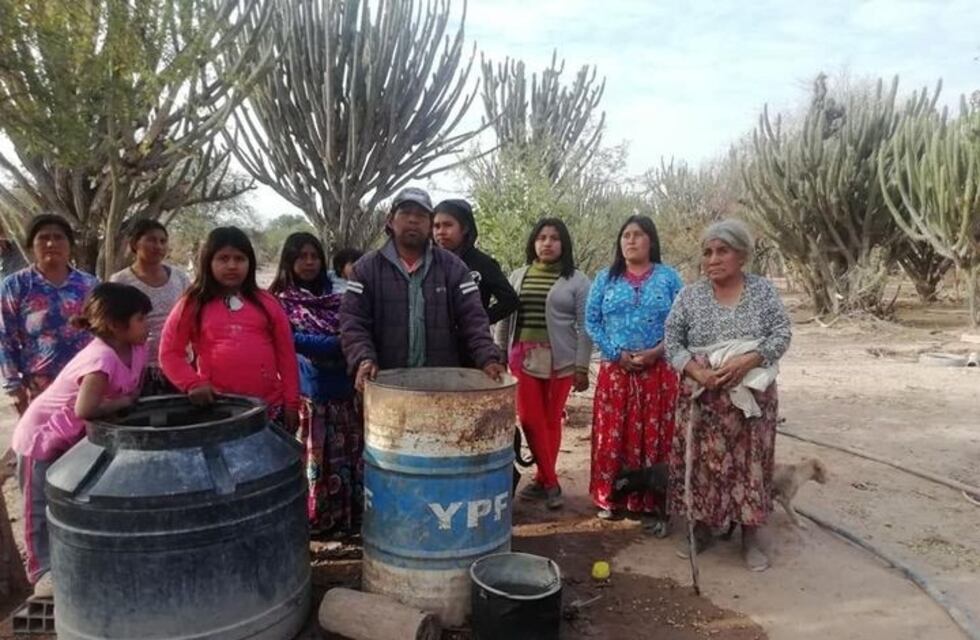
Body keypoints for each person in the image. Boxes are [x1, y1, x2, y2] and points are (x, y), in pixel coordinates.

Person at [664, 219, 792, 572]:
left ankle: (750, 537)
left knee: (751, 463)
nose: (713, 259)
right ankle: (701, 530)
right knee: (702, 464)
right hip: (703, 396)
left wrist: (748, 360)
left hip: (750, 396)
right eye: (707, 252)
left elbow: (781, 334)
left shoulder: (762, 291)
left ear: (742, 255)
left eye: (723, 251)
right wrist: (699, 372)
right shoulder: (689, 296)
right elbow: (673, 343)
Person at [11, 282, 151, 596]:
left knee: (69, 500)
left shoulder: (137, 349)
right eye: (141, 318)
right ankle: (42, 572)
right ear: (116, 325)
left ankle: (70, 561)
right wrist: (123, 403)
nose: (148, 325)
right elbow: (85, 408)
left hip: (70, 438)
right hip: (41, 436)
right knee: (38, 504)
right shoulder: (100, 360)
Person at [340, 187, 504, 391]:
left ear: (429, 224)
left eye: (421, 215)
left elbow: (473, 319)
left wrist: (488, 358)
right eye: (406, 213)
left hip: (441, 387)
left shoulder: (453, 268)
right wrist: (363, 359)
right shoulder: (366, 269)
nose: (413, 220)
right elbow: (353, 322)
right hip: (384, 386)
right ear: (390, 220)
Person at [586, 215, 683, 525]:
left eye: (638, 235)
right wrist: (616, 353)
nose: (630, 240)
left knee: (656, 437)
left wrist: (658, 351)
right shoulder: (605, 278)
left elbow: (683, 322)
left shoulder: (669, 278)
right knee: (612, 435)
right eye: (625, 235)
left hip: (659, 372)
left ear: (651, 241)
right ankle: (611, 496)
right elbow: (592, 321)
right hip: (616, 372)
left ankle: (653, 501)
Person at [159, 227, 300, 431]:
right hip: (217, 409)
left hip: (268, 409)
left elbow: (286, 356)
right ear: (208, 262)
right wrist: (192, 383)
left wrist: (292, 403)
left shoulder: (267, 302)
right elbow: (170, 352)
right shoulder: (192, 303)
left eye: (239, 258)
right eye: (223, 259)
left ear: (249, 263)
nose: (232, 265)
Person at [496, 218, 592, 510]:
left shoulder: (577, 280)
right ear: (533, 243)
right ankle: (551, 483)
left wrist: (582, 366)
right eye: (541, 237)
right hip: (521, 357)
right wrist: (499, 353)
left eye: (554, 238)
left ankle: (542, 478)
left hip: (560, 359)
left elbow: (585, 325)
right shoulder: (517, 275)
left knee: (551, 420)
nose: (547, 243)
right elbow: (505, 317)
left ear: (564, 244)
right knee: (529, 419)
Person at [270, 232, 362, 536]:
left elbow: (356, 329)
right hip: (312, 395)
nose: (309, 262)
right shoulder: (279, 301)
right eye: (301, 257)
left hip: (345, 394)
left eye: (314, 256)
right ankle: (319, 521)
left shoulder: (339, 295)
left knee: (349, 458)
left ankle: (350, 519)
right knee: (317, 459)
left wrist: (340, 342)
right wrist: (336, 342)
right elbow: (290, 339)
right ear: (289, 261)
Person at [1, 214, 99, 414]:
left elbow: (103, 332)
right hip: (40, 387)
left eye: (58, 237)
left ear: (70, 244)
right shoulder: (15, 286)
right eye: (43, 237)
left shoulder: (90, 285)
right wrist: (13, 386)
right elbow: (4, 337)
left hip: (87, 382)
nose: (51, 243)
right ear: (31, 245)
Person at [110, 219, 191, 395]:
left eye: (163, 241)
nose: (158, 246)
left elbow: (191, 318)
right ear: (134, 244)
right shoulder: (120, 281)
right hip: (137, 368)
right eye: (151, 240)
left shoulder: (180, 278)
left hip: (178, 364)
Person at [433, 199, 519, 325]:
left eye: (448, 225)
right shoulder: (428, 263)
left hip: (469, 342)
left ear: (465, 228)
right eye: (436, 226)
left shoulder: (483, 263)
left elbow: (510, 301)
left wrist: (479, 321)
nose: (441, 232)